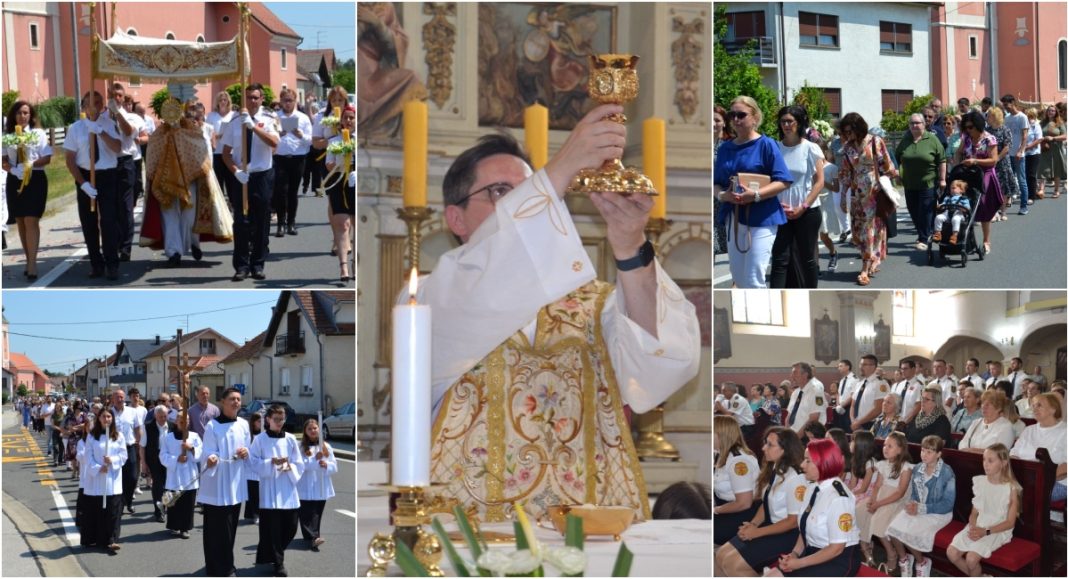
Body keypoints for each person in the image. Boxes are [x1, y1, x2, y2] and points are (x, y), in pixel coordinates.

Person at [421, 107, 700, 523]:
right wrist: (564, 164)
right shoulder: (432, 294)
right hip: (468, 530)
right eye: (502, 192)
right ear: (455, 217)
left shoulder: (595, 302)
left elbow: (658, 372)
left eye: (529, 192)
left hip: (586, 527)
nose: (521, 205)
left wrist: (631, 247)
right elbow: (482, 291)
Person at [713, 96, 792, 288]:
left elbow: (783, 180)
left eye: (741, 115)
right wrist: (722, 196)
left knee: (753, 278)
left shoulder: (766, 144)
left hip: (763, 217)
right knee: (739, 278)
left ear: (755, 117)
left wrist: (756, 195)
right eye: (732, 115)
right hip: (734, 216)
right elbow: (716, 183)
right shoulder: (725, 148)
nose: (736, 120)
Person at [715, 427, 805, 576]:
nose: (763, 448)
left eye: (770, 445)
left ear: (785, 450)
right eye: (765, 443)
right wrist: (753, 524)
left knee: (735, 566)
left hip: (788, 534)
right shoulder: (777, 468)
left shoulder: (796, 478)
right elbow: (766, 503)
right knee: (720, 556)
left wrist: (757, 532)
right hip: (770, 526)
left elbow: (792, 522)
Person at [764, 438, 860, 577]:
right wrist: (795, 554)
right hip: (813, 552)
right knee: (772, 575)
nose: (802, 465)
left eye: (808, 461)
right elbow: (805, 528)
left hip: (838, 561)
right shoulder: (812, 488)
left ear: (823, 462)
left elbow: (836, 549)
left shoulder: (839, 498)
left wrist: (799, 563)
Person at [221, 83, 280, 282]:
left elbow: (274, 143)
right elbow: (226, 153)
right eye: (249, 97)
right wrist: (236, 171)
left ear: (262, 99)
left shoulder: (269, 119)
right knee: (241, 223)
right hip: (242, 177)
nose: (252, 101)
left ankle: (258, 264)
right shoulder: (234, 121)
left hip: (262, 175)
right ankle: (241, 266)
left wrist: (253, 127)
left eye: (256, 97)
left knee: (262, 222)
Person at [65, 90, 124, 279]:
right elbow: (69, 159)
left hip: (107, 175)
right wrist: (82, 183)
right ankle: (96, 263)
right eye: (91, 103)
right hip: (85, 176)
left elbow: (118, 148)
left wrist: (101, 132)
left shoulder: (109, 124)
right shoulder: (75, 128)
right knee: (89, 223)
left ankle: (112, 263)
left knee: (108, 220)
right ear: (83, 106)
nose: (95, 106)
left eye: (99, 103)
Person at [885, 435, 957, 578]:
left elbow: (948, 505)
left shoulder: (947, 473)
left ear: (938, 454)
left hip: (938, 513)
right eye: (923, 450)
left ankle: (922, 562)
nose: (924, 455)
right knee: (892, 529)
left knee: (909, 533)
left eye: (929, 452)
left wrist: (922, 509)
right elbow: (914, 494)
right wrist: (912, 504)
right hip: (918, 508)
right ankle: (904, 559)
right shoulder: (918, 468)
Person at [199, 387, 252, 577]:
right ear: (223, 402)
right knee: (216, 530)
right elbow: (207, 451)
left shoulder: (244, 424)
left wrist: (246, 452)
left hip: (235, 483)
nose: (236, 402)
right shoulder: (213, 426)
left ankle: (225, 565)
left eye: (238, 399)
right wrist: (211, 457)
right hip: (217, 484)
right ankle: (219, 567)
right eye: (232, 399)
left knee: (230, 528)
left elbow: (248, 448)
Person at [838, 113, 895, 285]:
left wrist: (884, 183)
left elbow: (888, 165)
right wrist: (842, 195)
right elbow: (846, 172)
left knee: (869, 230)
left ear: (859, 128)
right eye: (845, 132)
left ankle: (865, 267)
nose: (848, 135)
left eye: (850, 131)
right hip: (857, 193)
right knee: (858, 230)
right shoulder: (847, 147)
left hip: (873, 192)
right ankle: (872, 260)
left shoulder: (875, 141)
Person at [946, 443, 1020, 576]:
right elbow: (974, 513)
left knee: (971, 559)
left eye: (990, 461)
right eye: (984, 459)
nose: (985, 464)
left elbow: (1010, 523)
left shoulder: (1010, 488)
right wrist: (973, 527)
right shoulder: (981, 483)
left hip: (997, 529)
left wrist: (984, 531)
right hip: (978, 525)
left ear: (1003, 463)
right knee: (951, 553)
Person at [771, 105, 824, 288]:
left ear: (799, 123)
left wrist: (803, 207)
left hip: (807, 211)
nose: (786, 125)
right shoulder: (775, 148)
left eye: (790, 121)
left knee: (807, 258)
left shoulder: (811, 148)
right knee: (779, 259)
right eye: (783, 121)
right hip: (781, 211)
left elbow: (819, 182)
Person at [250, 404, 304, 577]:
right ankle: (278, 563)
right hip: (270, 490)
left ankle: (273, 553)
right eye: (276, 419)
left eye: (282, 419)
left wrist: (290, 466)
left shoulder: (290, 439)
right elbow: (253, 462)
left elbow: (299, 462)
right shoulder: (259, 440)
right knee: (273, 530)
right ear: (268, 420)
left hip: (288, 488)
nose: (280, 422)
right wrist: (271, 463)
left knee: (291, 528)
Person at [3, 101, 52, 279]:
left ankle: (32, 263)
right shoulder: (7, 135)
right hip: (15, 179)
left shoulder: (38, 133)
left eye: (25, 113)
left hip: (35, 179)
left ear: (30, 116)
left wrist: (31, 164)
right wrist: (12, 169)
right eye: (18, 113)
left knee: (32, 220)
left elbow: (47, 158)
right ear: (13, 116)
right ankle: (28, 257)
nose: (22, 116)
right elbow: (4, 160)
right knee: (21, 221)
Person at [102, 83, 148, 263]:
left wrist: (118, 114)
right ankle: (115, 243)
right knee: (110, 208)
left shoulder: (132, 117)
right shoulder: (102, 117)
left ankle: (126, 246)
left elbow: (128, 132)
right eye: (113, 95)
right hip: (107, 165)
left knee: (126, 207)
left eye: (120, 95)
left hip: (126, 162)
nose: (117, 98)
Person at [858, 431, 913, 574]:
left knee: (878, 520)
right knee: (861, 510)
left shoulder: (906, 467)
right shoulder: (882, 464)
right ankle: (865, 547)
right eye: (884, 445)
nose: (885, 448)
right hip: (882, 496)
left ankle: (891, 553)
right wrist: (872, 500)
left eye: (890, 446)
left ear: (900, 449)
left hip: (896, 500)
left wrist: (879, 504)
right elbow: (877, 486)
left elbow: (900, 492)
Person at [953, 111, 1005, 254]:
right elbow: (958, 152)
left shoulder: (989, 139)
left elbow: (993, 160)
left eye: (970, 127)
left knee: (982, 205)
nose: (968, 130)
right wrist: (958, 167)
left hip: (985, 173)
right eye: (966, 127)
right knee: (962, 203)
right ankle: (965, 238)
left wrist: (975, 161)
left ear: (978, 125)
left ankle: (986, 240)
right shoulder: (967, 138)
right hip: (969, 173)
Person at [895, 113, 946, 250]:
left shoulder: (932, 139)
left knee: (925, 209)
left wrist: (942, 179)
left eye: (917, 123)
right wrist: (898, 173)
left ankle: (924, 238)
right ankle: (925, 232)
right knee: (913, 211)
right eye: (912, 123)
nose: (914, 125)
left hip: (928, 182)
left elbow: (942, 160)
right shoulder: (905, 140)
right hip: (909, 183)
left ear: (924, 124)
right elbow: (897, 157)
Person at [82, 408, 127, 553]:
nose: (106, 419)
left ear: (112, 419)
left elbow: (123, 455)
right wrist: (97, 467)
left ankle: (112, 540)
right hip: (96, 478)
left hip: (112, 479)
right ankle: (95, 539)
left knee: (112, 510)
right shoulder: (92, 436)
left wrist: (112, 460)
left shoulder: (119, 436)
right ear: (99, 418)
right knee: (97, 510)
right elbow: (87, 456)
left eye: (109, 416)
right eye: (103, 416)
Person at [713, 416, 760, 545]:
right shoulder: (722, 453)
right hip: (726, 506)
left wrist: (715, 510)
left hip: (742, 512)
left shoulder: (738, 461)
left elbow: (744, 503)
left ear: (722, 435)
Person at [272, 88, 312, 238]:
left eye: (290, 100)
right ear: (281, 101)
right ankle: (280, 224)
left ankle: (291, 223)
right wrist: (278, 134)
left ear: (295, 102)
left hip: (298, 158)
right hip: (280, 158)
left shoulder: (303, 118)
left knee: (292, 192)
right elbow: (269, 136)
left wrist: (301, 135)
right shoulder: (275, 117)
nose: (288, 103)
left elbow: (310, 140)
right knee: (281, 191)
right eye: (285, 100)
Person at [324, 105, 357, 282]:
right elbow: (328, 164)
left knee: (357, 225)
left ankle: (356, 264)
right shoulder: (333, 142)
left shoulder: (361, 140)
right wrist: (339, 162)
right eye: (346, 118)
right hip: (338, 181)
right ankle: (343, 266)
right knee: (342, 224)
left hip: (357, 182)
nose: (349, 121)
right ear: (341, 120)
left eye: (352, 118)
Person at [160, 410, 202, 539]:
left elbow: (201, 452)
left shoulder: (194, 437)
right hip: (174, 474)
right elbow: (162, 455)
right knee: (173, 501)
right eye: (181, 419)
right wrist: (175, 459)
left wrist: (191, 448)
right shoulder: (168, 438)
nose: (184, 422)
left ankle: (185, 528)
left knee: (188, 503)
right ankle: (174, 525)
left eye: (186, 420)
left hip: (189, 474)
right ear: (176, 421)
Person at [296, 418, 336, 552]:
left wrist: (326, 465)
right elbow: (299, 465)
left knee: (317, 513)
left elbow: (334, 466)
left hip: (320, 484)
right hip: (305, 484)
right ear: (305, 432)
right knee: (306, 512)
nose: (313, 431)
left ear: (319, 429)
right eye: (310, 429)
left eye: (315, 428)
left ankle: (312, 537)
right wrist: (315, 460)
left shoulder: (326, 446)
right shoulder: (300, 447)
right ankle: (313, 537)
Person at [845, 430, 879, 565]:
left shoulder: (870, 463)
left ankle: (864, 547)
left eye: (853, 440)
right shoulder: (855, 460)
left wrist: (850, 494)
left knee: (857, 508)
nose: (850, 443)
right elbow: (853, 484)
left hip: (870, 492)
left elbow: (864, 488)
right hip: (858, 491)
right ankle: (852, 542)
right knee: (842, 503)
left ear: (861, 445)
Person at [983, 106, 1018, 222]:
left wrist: (997, 158)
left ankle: (1003, 211)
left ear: (994, 117)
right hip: (989, 162)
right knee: (992, 187)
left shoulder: (1004, 129)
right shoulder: (986, 130)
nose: (987, 117)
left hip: (1002, 162)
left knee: (1004, 187)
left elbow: (1007, 147)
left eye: (989, 115)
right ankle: (993, 211)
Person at [108, 389, 141, 514]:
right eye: (117, 397)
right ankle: (120, 503)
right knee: (118, 477)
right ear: (113, 399)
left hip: (130, 447)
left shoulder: (132, 412)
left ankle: (129, 501)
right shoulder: (109, 413)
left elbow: (138, 429)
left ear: (125, 398)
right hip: (114, 449)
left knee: (132, 477)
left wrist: (138, 444)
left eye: (121, 397)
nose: (120, 399)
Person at [139, 405, 170, 523]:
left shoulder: (172, 426)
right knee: (158, 485)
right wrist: (144, 464)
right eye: (160, 416)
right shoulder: (148, 427)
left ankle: (165, 507)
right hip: (154, 459)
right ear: (155, 416)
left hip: (168, 458)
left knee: (168, 486)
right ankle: (159, 512)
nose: (163, 418)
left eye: (165, 416)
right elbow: (142, 447)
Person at [1001, 95, 1030, 214]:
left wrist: (1020, 150)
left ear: (1013, 103)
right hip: (1008, 154)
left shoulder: (1022, 117)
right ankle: (1005, 205)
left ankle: (1024, 206)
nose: (1005, 107)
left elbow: (1025, 136)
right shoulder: (1007, 118)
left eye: (1006, 105)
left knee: (1022, 180)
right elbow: (1006, 136)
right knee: (1008, 179)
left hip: (1019, 155)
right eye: (1004, 105)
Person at [206, 91, 236, 198]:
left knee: (231, 181)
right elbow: (207, 133)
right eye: (220, 100)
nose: (223, 102)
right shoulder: (211, 116)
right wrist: (217, 136)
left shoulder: (234, 115)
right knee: (218, 181)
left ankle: (232, 206)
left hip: (231, 153)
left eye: (225, 100)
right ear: (217, 102)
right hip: (217, 152)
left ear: (228, 101)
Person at [785, 362, 826, 433]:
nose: (791, 376)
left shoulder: (816, 391)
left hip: (808, 435)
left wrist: (797, 437)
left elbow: (814, 418)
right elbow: (789, 416)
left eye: (795, 373)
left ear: (805, 375)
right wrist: (787, 434)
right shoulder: (795, 393)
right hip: (793, 434)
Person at [1037, 104, 1066, 198]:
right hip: (1044, 148)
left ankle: (1056, 190)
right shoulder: (1042, 123)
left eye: (1053, 111)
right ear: (1047, 112)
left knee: (1056, 169)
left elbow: (1065, 136)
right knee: (1043, 168)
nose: (1051, 112)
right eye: (1049, 110)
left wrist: (1053, 138)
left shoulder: (1060, 123)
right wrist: (1041, 139)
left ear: (1056, 112)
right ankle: (1041, 190)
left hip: (1056, 149)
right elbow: (1037, 134)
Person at [931, 179, 971, 245]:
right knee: (938, 217)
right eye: (950, 188)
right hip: (947, 213)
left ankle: (954, 235)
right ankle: (938, 233)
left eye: (953, 188)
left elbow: (967, 208)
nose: (951, 190)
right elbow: (943, 204)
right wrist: (940, 205)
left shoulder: (964, 199)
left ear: (961, 190)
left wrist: (962, 208)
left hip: (959, 214)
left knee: (956, 219)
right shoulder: (947, 198)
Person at [1022, 108, 1043, 206]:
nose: (1028, 118)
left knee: (1031, 175)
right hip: (1023, 153)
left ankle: (1031, 196)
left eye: (1030, 116)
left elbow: (1039, 139)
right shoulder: (1023, 125)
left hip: (1033, 153)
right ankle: (1027, 194)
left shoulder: (1035, 125)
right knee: (1024, 175)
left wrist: (1028, 147)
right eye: (1027, 115)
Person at [245, 412, 263, 524]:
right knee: (253, 493)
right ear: (253, 423)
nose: (261, 424)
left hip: (261, 468)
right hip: (250, 469)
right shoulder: (249, 436)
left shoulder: (264, 435)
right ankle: (254, 514)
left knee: (261, 493)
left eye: (263, 421)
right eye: (259, 422)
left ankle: (259, 513)